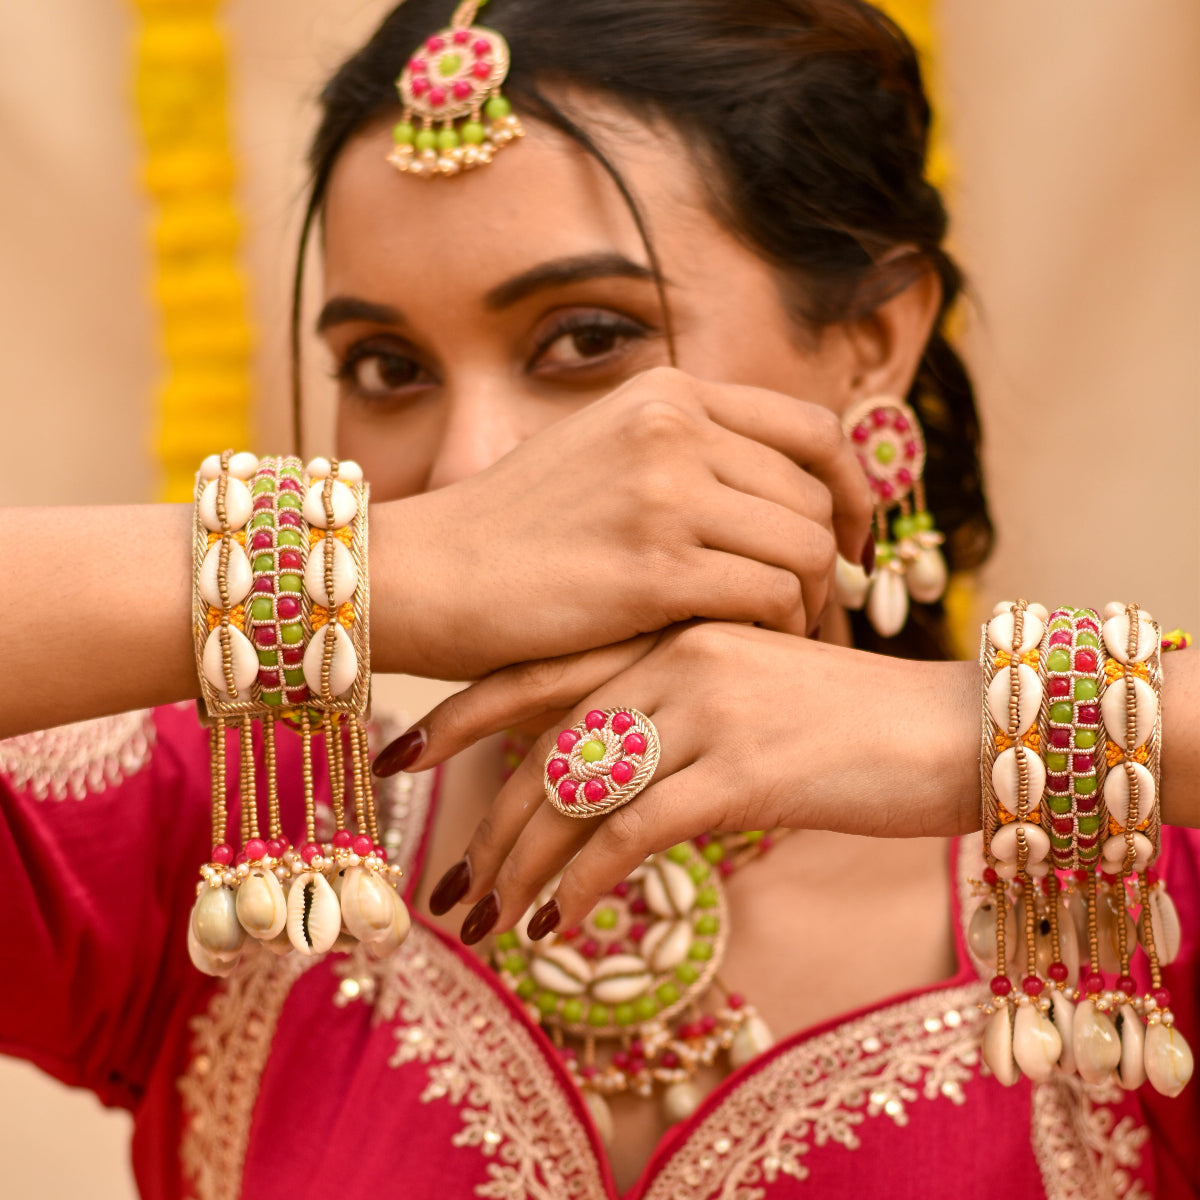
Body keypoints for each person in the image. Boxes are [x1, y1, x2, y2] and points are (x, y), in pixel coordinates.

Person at [1, 1, 1198, 1196]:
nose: (470, 464)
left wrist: (978, 732)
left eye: (586, 337)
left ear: (873, 340)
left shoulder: (1133, 883)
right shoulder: (230, 843)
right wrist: (378, 568)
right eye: (387, 369)